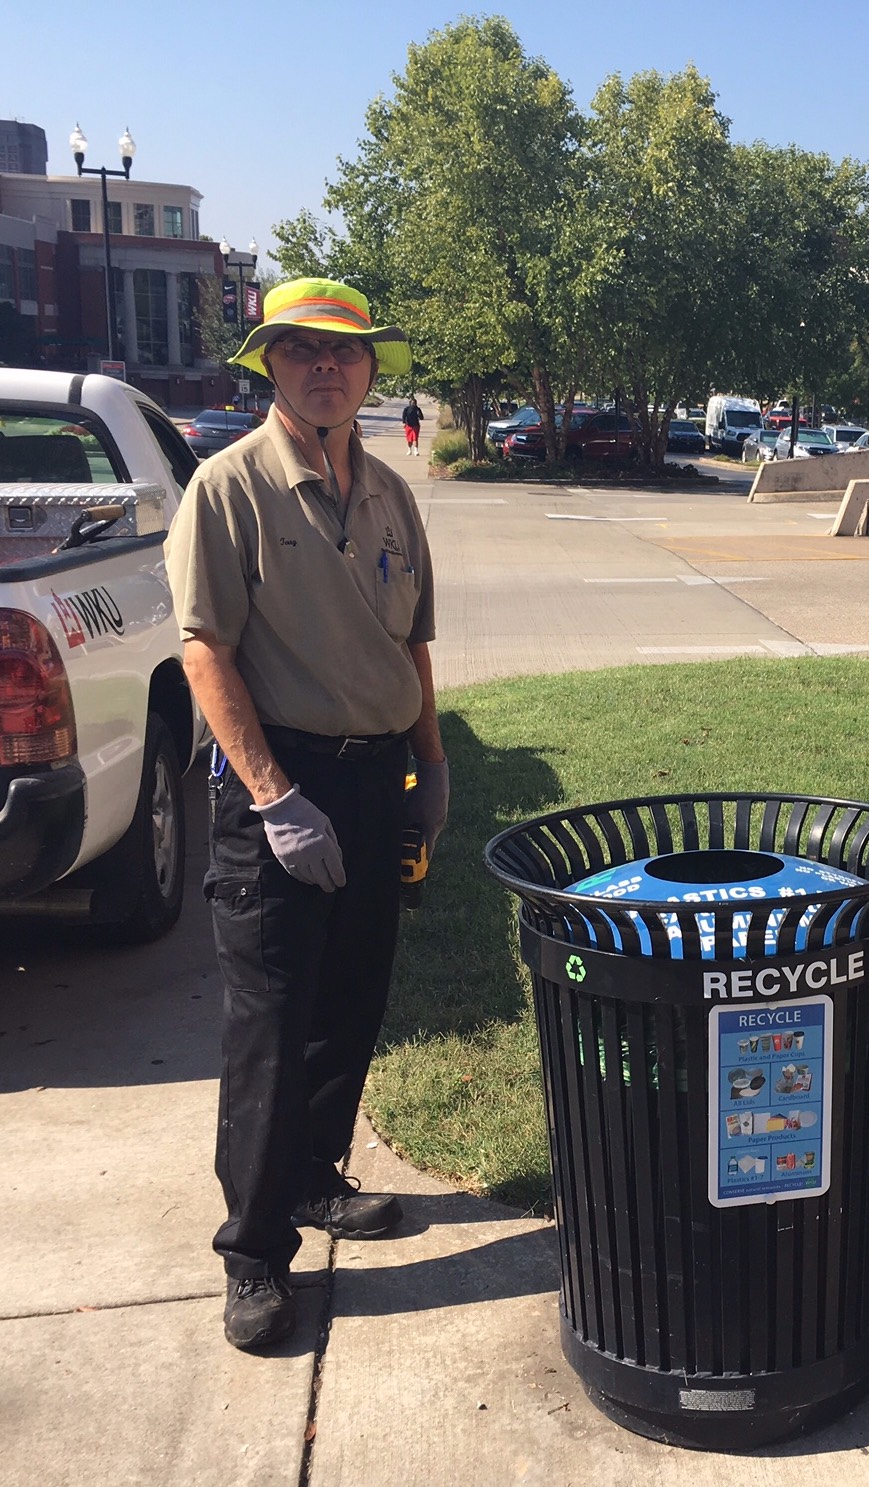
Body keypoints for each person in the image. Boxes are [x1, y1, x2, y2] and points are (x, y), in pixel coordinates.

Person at [164, 278, 449, 1351]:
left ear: (372, 369)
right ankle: (251, 1250)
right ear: (268, 366)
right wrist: (274, 795)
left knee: (352, 995)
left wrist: (430, 768)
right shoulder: (228, 488)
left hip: (378, 779)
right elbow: (207, 651)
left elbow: (413, 641)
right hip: (279, 787)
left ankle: (314, 1178)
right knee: (272, 1023)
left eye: (346, 353)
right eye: (301, 352)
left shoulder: (389, 491)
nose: (326, 369)